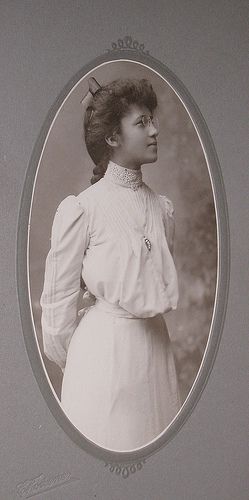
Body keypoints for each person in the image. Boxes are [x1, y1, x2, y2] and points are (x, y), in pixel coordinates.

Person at [40, 76, 181, 451]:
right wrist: (88, 362)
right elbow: (56, 313)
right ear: (112, 138)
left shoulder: (163, 209)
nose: (154, 130)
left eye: (152, 120)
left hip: (155, 352)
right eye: (142, 122)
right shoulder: (83, 209)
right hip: (103, 361)